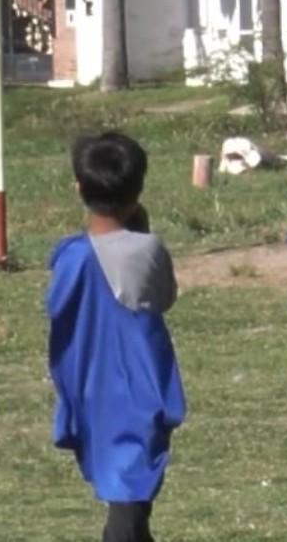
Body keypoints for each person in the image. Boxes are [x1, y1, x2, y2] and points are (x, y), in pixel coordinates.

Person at [46, 132, 185, 542]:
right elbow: (164, 298)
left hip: (89, 384)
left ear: (79, 187)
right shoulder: (150, 249)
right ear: (139, 189)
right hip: (141, 381)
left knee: (126, 491)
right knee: (131, 493)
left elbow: (58, 308)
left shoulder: (68, 256)